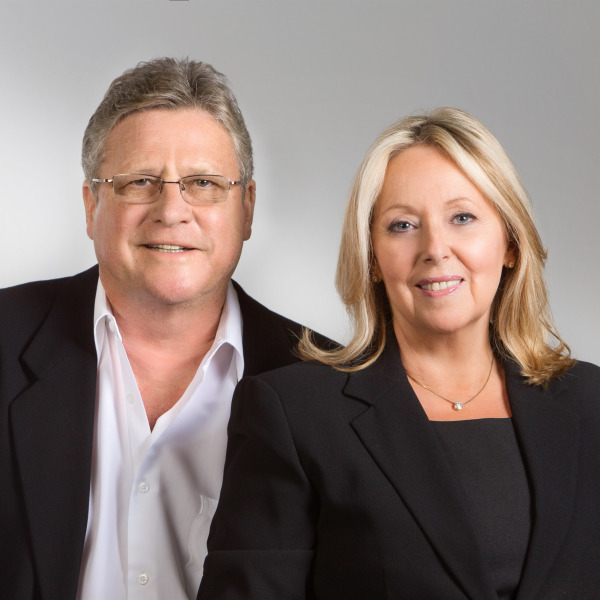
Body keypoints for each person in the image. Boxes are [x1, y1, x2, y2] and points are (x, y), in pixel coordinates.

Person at [198, 107, 600, 599]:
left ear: (510, 243)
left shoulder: (591, 402)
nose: (436, 248)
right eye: (403, 225)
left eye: (463, 218)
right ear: (371, 257)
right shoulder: (294, 413)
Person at [0, 57, 329, 600]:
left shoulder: (326, 384)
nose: (172, 210)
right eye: (140, 182)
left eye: (203, 183)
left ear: (247, 207)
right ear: (91, 205)